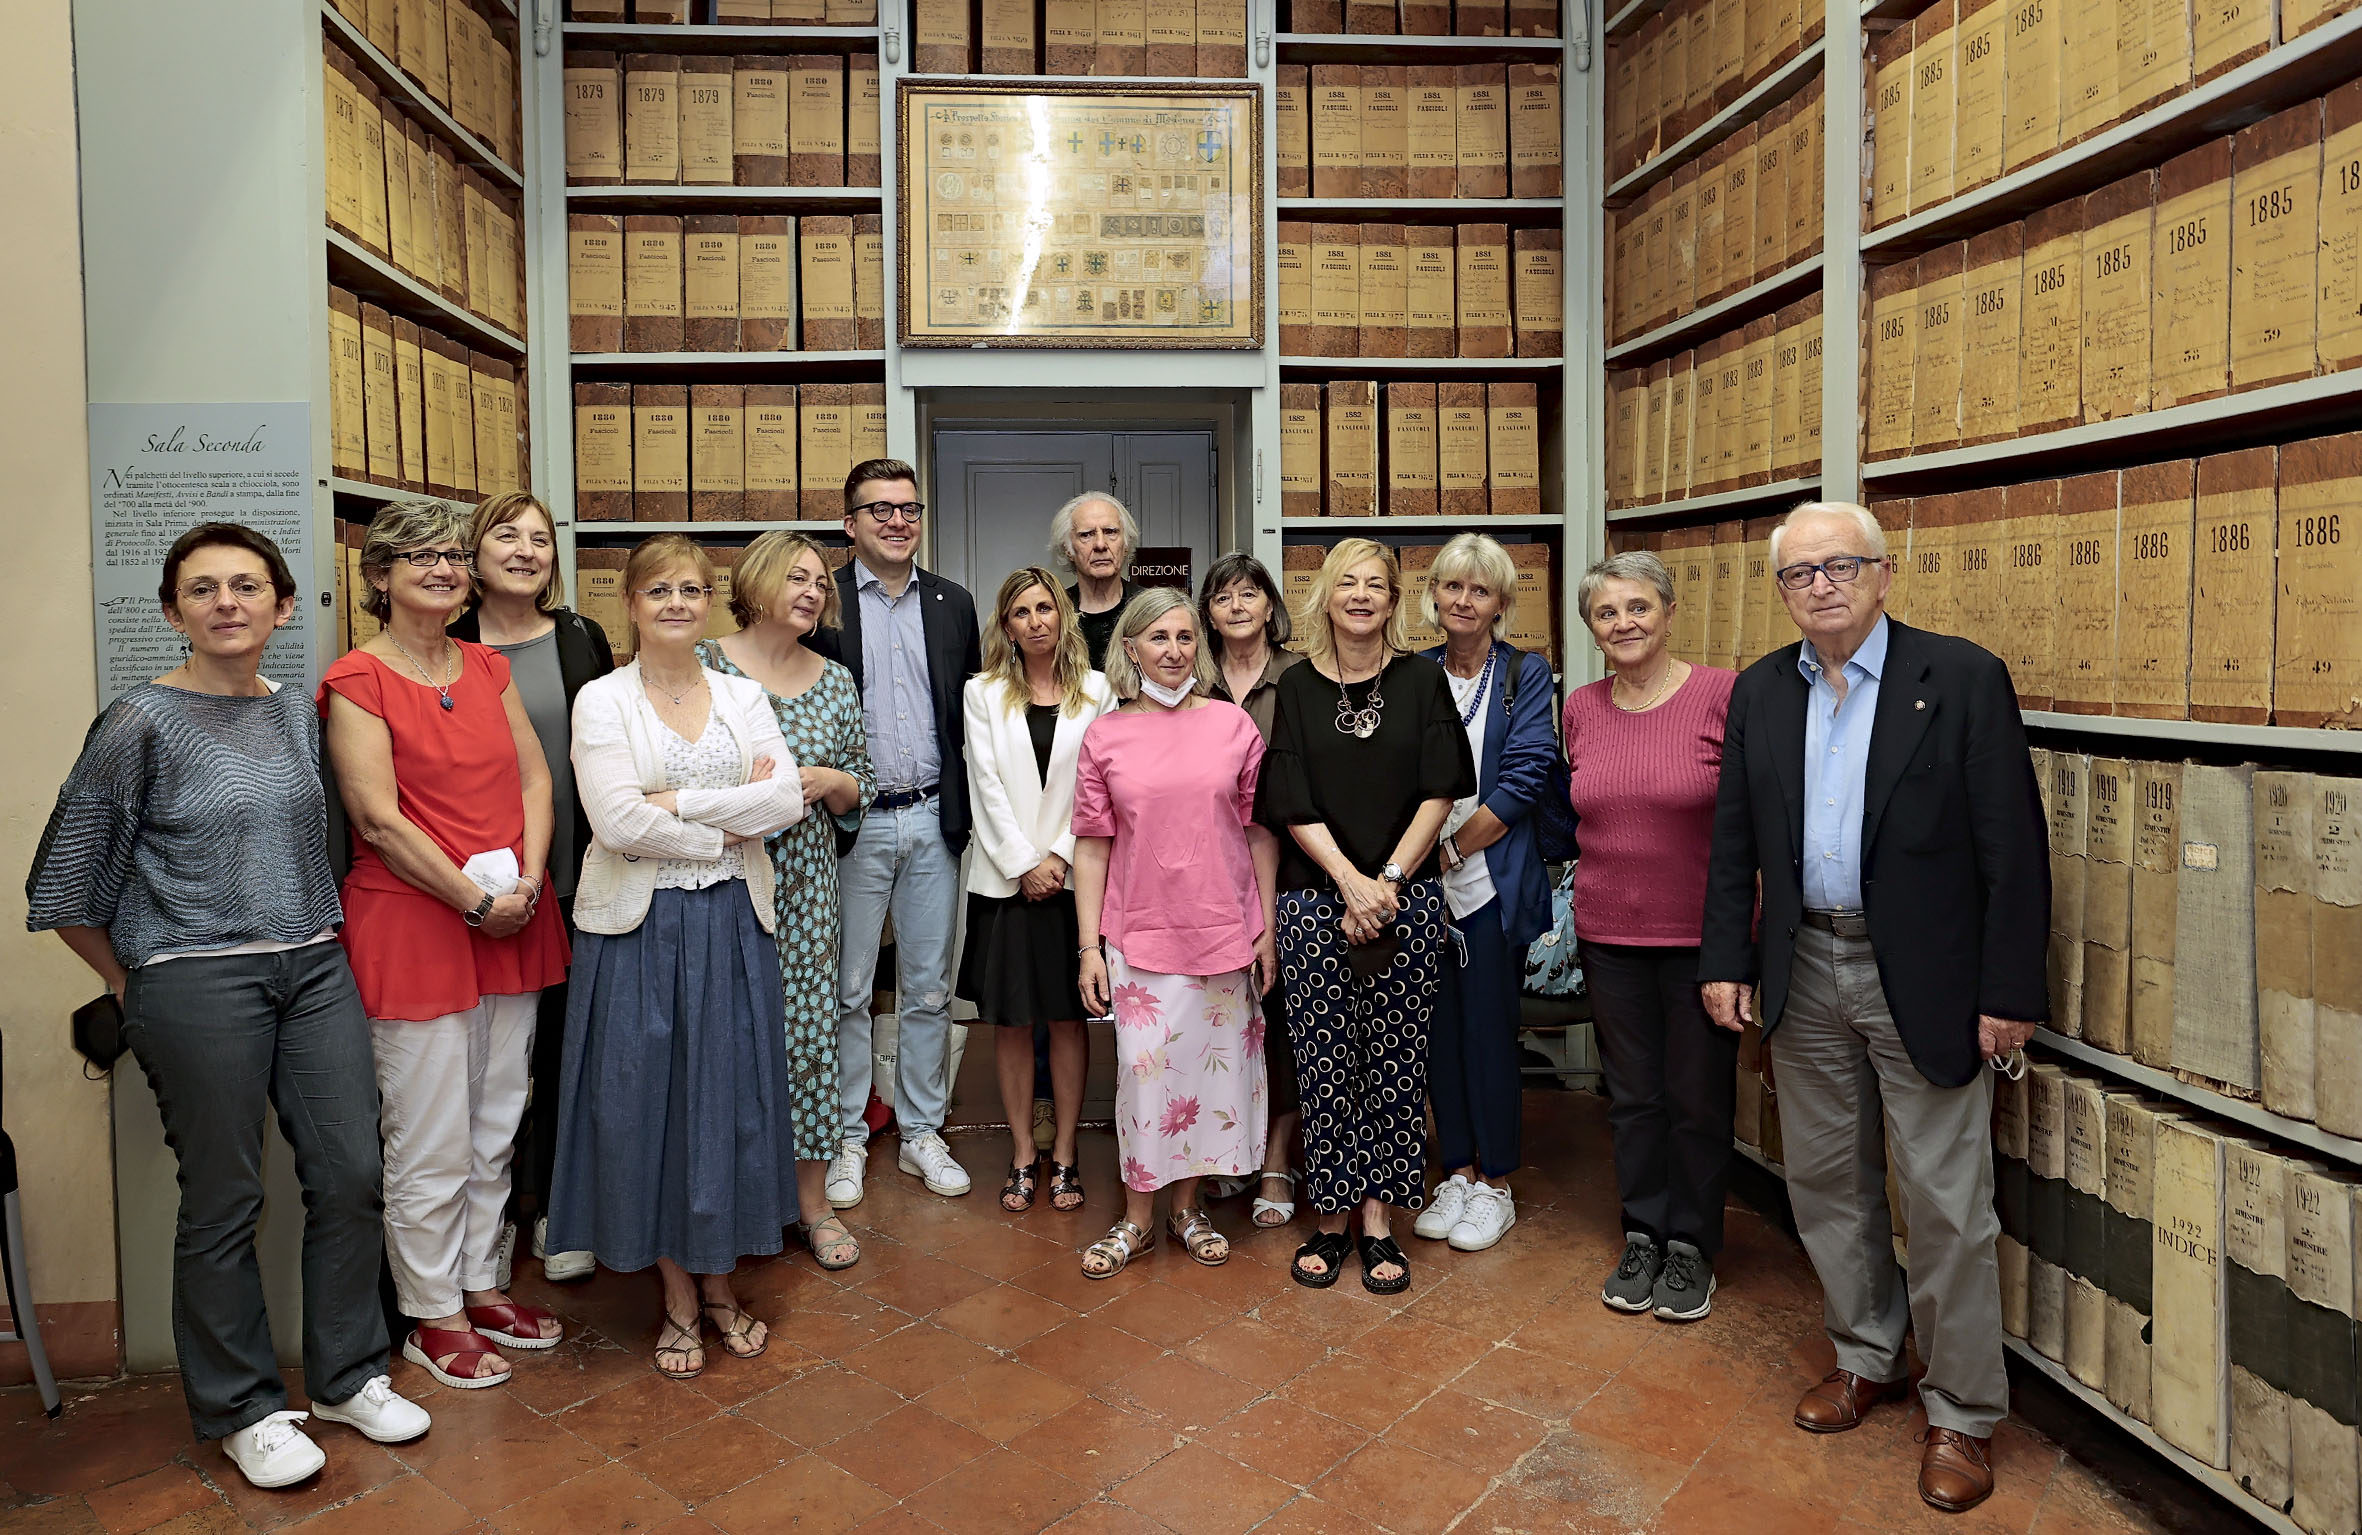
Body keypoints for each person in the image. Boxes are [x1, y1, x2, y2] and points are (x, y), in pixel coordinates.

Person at [27, 524, 428, 1488]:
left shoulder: (294, 712)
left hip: (314, 968)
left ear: (282, 607)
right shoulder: (137, 722)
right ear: (174, 611)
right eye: (202, 588)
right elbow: (63, 884)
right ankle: (245, 1406)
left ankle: (347, 1376)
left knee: (351, 1174)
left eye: (247, 586)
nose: (226, 603)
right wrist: (133, 979)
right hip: (194, 978)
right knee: (224, 1197)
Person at [1700, 501, 2048, 1515]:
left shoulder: (1963, 678)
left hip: (1928, 977)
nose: (1821, 585)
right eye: (1799, 572)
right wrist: (1726, 958)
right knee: (1825, 1182)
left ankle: (1962, 1410)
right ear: (1781, 589)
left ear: (1884, 573)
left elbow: (2014, 848)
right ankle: (1866, 1354)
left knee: (1945, 1201)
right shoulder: (1761, 689)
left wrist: (2008, 990)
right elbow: (1733, 841)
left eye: (1840, 565)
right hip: (1802, 963)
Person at [322, 500, 570, 1390]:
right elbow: (377, 821)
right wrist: (474, 901)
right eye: (417, 555)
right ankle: (432, 1314)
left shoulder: (486, 664)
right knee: (428, 1130)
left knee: (497, 1119)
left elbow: (536, 777)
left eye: (452, 554)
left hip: (512, 914)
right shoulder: (357, 678)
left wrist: (527, 880)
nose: (442, 568)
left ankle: (479, 1283)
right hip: (419, 923)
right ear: (378, 576)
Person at [548, 535, 810, 1379]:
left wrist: (681, 803)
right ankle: (677, 1295)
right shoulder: (600, 699)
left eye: (691, 590)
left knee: (728, 1104)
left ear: (711, 603)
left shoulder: (742, 694)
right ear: (629, 601)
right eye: (658, 589)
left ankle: (722, 1283)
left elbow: (785, 799)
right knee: (644, 1107)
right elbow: (617, 821)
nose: (676, 603)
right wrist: (726, 824)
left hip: (734, 921)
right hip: (637, 930)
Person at [1257, 539, 1474, 1296]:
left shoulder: (1422, 681)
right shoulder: (1296, 686)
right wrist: (1349, 882)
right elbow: (1289, 802)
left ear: (1393, 600)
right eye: (1346, 582)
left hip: (1404, 899)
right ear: (1325, 595)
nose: (1359, 595)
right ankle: (1330, 1216)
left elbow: (1440, 791)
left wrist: (1385, 883)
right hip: (1316, 901)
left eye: (1374, 584)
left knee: (1395, 1064)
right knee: (1324, 1065)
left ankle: (1378, 1222)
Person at [1072, 589, 1278, 1277]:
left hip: (1223, 931)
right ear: (1130, 647)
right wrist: (1089, 947)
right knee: (1143, 1076)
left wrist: (1265, 928)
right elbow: (1092, 846)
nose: (1174, 650)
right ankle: (1136, 1218)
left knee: (1205, 1080)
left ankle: (1186, 1209)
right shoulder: (1105, 735)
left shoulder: (1231, 725)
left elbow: (1258, 832)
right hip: (1139, 936)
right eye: (1158, 637)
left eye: (1186, 637)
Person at [1561, 550, 1739, 1321]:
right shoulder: (1580, 707)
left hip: (1701, 938)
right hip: (1608, 935)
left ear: (1668, 611)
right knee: (1633, 1098)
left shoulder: (1722, 694)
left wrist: (1740, 945)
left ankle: (1692, 1245)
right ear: (1591, 627)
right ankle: (1643, 1232)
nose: (1624, 623)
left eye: (1638, 606)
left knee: (1696, 1098)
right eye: (1606, 612)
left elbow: (1751, 825)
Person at [447, 491, 614, 1286]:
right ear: (473, 555)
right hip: (482, 887)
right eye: (505, 536)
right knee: (487, 1060)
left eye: (540, 538)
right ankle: (486, 1220)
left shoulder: (581, 637)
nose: (525, 550)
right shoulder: (447, 643)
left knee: (566, 1049)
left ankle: (555, 1206)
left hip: (581, 875)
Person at [700, 532, 876, 1272]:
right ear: (758, 580)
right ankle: (728, 1200)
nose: (812, 592)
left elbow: (862, 782)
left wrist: (831, 781)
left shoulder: (835, 679)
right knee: (724, 1038)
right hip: (721, 878)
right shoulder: (704, 665)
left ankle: (812, 1204)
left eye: (819, 582)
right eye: (796, 578)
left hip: (807, 886)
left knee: (807, 1039)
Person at [809, 460, 984, 1206]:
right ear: (849, 525)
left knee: (927, 987)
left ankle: (920, 1131)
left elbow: (967, 714)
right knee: (847, 988)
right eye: (879, 509)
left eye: (909, 508)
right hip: (851, 825)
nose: (897, 521)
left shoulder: (952, 603)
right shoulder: (822, 600)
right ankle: (847, 1134)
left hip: (932, 817)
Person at [1412, 534, 1558, 1256]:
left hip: (1489, 879)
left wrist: (1450, 849)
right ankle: (1459, 1172)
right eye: (1453, 586)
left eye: (1480, 589)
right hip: (1420, 886)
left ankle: (1496, 1183)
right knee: (1438, 1032)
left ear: (1501, 602)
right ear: (1433, 594)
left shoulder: (1525, 673)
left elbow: (1527, 775)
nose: (1464, 601)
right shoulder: (1413, 672)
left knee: (1490, 1032)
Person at [959, 569, 1115, 1217]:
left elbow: (1100, 784)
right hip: (1005, 883)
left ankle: (1067, 1153)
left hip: (1074, 879)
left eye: (1045, 607)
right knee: (1013, 1022)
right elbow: (985, 784)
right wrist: (1025, 862)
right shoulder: (982, 692)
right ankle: (1024, 1152)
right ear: (1007, 625)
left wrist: (1057, 856)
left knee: (1069, 1018)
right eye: (1021, 611)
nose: (1036, 620)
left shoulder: (1098, 690)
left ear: (1063, 615)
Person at [1201, 553, 1304, 1228]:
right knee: (1220, 1016)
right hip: (1208, 871)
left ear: (1271, 606)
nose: (1237, 606)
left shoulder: (1301, 677)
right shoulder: (1190, 680)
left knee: (1283, 1011)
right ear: (1207, 613)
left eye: (1249, 594)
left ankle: (1275, 1156)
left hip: (1293, 861)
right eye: (1222, 597)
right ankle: (1226, 1145)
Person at [1052, 491, 1141, 668]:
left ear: (1126, 544)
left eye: (1110, 532)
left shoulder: (1151, 608)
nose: (1100, 544)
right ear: (1068, 549)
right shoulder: (1054, 612)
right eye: (1086, 535)